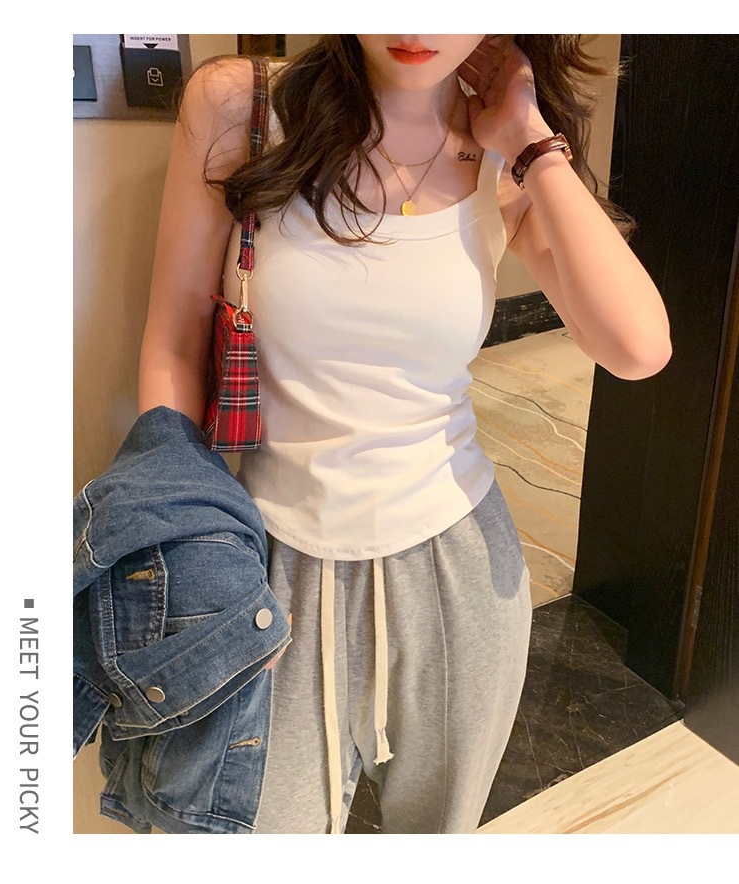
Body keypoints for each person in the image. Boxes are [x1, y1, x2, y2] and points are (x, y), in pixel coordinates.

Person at [137, 35, 672, 834]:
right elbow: (174, 341)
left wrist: (532, 143)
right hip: (270, 563)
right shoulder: (242, 108)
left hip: (460, 566)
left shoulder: (504, 155)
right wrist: (185, 549)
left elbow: (637, 348)